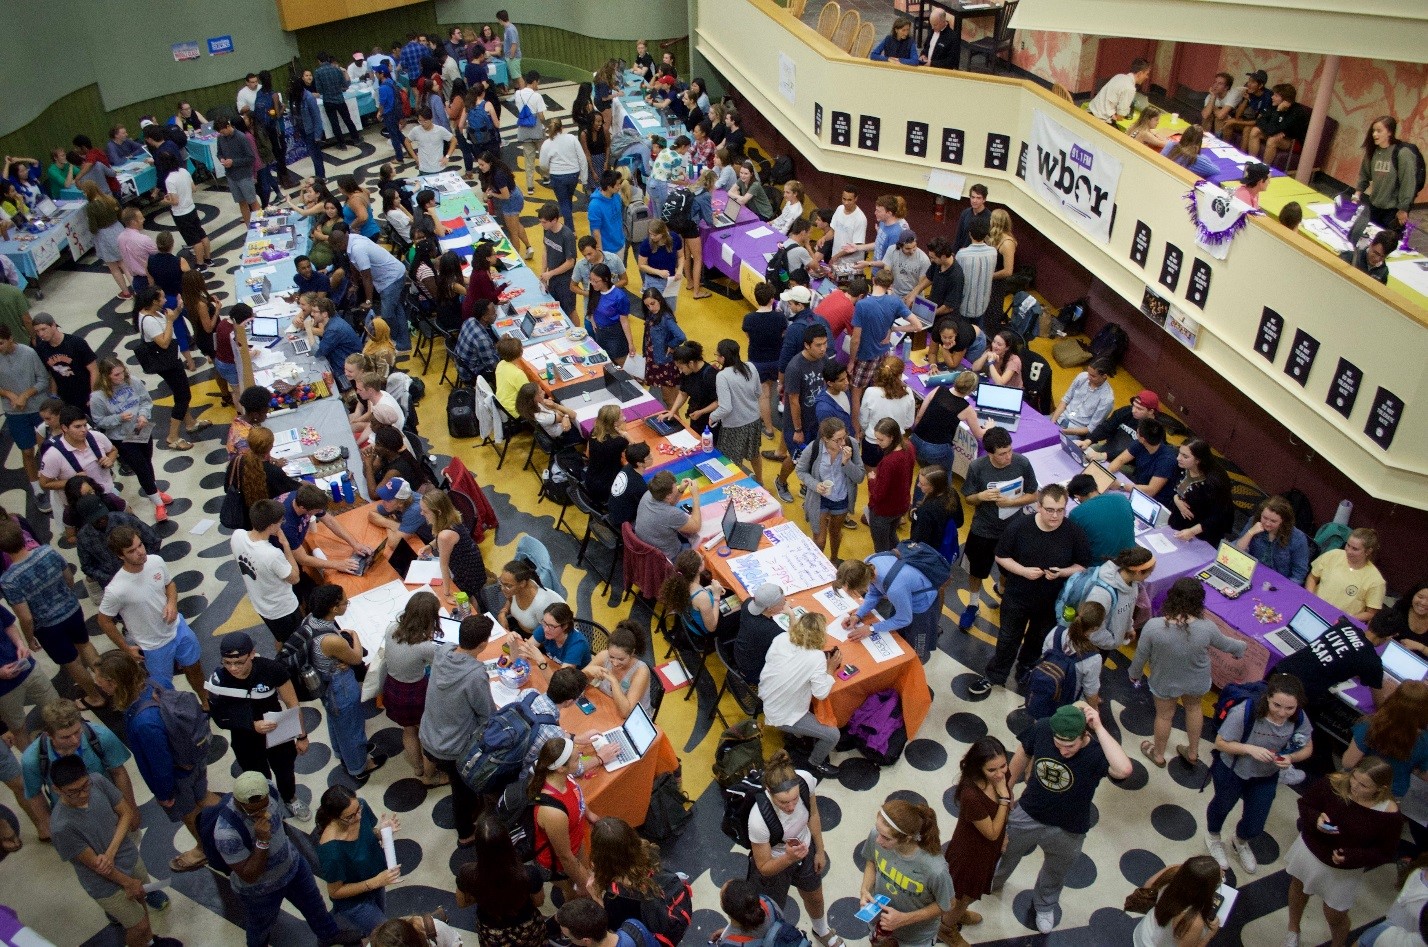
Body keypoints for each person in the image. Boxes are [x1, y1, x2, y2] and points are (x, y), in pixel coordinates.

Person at [995, 703, 1132, 933]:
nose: (1063, 751)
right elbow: (1023, 752)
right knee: (1006, 852)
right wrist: (1006, 791)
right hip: (1029, 811)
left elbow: (1124, 770)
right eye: (1058, 745)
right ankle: (993, 882)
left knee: (1056, 871)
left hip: (1070, 827)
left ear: (1084, 735)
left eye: (1070, 746)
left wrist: (1098, 726)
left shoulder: (1098, 752)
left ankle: (1044, 905)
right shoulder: (1044, 728)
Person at [92, 650, 218, 875]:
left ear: (112, 683)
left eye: (98, 678)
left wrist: (165, 795)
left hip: (177, 775)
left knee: (188, 811)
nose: (96, 682)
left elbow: (160, 767)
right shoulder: (156, 682)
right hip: (192, 756)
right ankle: (237, 820)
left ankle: (204, 848)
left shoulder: (143, 722)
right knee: (203, 795)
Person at [48, 757, 182, 947]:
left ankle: (150, 942)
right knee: (138, 926)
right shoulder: (61, 827)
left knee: (141, 906)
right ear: (57, 790)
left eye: (85, 786)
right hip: (105, 883)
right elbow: (96, 865)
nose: (83, 794)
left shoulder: (98, 781)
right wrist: (127, 882)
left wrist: (110, 852)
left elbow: (126, 813)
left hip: (129, 858)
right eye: (73, 792)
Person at [215, 771, 357, 947]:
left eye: (264, 806)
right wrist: (262, 841)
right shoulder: (226, 832)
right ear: (239, 803)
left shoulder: (271, 789)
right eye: (255, 811)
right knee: (261, 926)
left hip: (293, 867)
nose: (262, 813)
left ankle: (329, 935)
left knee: (314, 905)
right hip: (261, 892)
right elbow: (249, 875)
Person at [972, 484, 1090, 696]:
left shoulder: (1073, 532)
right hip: (1018, 596)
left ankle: (1025, 669)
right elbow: (1001, 556)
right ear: (1038, 506)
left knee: (1037, 640)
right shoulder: (1019, 527)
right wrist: (1023, 571)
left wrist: (1062, 572)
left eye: (1060, 510)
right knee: (1008, 638)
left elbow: (1082, 565)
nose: (1055, 516)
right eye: (1050, 510)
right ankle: (995, 675)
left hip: (1050, 601)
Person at [1203, 672, 1313, 876]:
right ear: (1268, 698)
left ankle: (1241, 841)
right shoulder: (1246, 711)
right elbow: (1221, 743)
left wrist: (1291, 758)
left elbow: (1307, 747)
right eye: (1276, 705)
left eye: (1290, 708)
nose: (1282, 713)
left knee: (1256, 820)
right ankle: (1213, 836)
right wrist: (1249, 749)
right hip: (1232, 769)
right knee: (1222, 805)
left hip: (1266, 775)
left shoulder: (1298, 718)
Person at [1130, 579, 1248, 768]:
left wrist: (1134, 674)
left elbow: (1140, 656)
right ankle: (1192, 752)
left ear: (1172, 597)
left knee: (1164, 716)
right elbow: (1227, 645)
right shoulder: (1207, 627)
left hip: (1165, 680)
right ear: (1199, 602)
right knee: (1194, 710)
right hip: (1197, 681)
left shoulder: (1153, 626)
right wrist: (1241, 648)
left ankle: (1158, 755)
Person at [1285, 758, 1402, 947]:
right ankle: (1293, 930)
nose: (1355, 786)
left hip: (1344, 871)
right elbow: (1305, 804)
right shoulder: (1334, 783)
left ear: (1380, 789)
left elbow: (1385, 852)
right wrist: (1315, 820)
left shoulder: (1388, 815)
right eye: (1354, 778)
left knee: (1335, 914)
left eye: (1364, 785)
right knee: (1298, 888)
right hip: (1310, 851)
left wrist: (1354, 857)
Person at [0, 523, 107, 711]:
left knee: (71, 661)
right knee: (85, 644)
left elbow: (25, 617)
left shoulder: (9, 579)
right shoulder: (47, 551)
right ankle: (109, 683)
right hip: (72, 609)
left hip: (48, 627)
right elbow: (68, 577)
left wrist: (29, 637)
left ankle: (95, 696)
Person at [741, 750, 840, 944]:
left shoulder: (805, 780)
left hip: (804, 850)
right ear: (769, 790)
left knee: (815, 897)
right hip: (776, 861)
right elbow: (763, 867)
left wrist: (819, 850)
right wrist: (788, 858)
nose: (791, 806)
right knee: (770, 911)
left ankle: (821, 931)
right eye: (783, 802)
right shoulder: (758, 820)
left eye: (795, 799)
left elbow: (813, 815)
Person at [96, 527, 205, 697]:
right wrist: (125, 648)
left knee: (194, 666)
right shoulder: (116, 589)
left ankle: (204, 699)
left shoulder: (155, 561)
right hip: (153, 646)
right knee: (163, 689)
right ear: (120, 555)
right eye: (131, 551)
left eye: (140, 545)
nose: (140, 552)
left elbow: (170, 584)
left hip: (178, 629)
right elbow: (104, 620)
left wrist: (171, 603)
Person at [420, 614, 496, 844]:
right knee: (461, 791)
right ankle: (465, 834)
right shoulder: (474, 674)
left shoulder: (443, 651)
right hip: (452, 749)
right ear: (483, 644)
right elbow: (488, 715)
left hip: (429, 734)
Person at [958, 426, 1037, 633]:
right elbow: (968, 498)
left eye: (1010, 450)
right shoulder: (977, 467)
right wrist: (980, 497)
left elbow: (1033, 494)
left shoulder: (1022, 463)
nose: (1009, 456)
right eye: (1002, 454)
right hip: (983, 530)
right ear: (990, 453)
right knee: (977, 570)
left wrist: (1012, 502)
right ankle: (973, 604)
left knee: (1009, 570)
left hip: (1013, 530)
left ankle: (1002, 590)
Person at [305, 586, 387, 784]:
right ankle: (359, 765)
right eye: (345, 602)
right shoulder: (332, 641)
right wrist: (355, 636)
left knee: (337, 720)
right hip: (339, 684)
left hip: (324, 680)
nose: (347, 605)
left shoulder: (309, 621)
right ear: (333, 608)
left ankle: (342, 751)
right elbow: (357, 658)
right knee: (351, 725)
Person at [937, 738, 1011, 946]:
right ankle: (946, 928)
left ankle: (957, 915)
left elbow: (999, 828)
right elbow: (992, 832)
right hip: (969, 854)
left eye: (1003, 766)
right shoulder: (971, 795)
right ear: (979, 768)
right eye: (992, 769)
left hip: (987, 851)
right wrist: (1004, 798)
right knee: (962, 895)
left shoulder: (999, 776)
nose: (1000, 774)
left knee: (967, 895)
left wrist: (1005, 833)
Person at [859, 799, 953, 946]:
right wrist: (865, 889)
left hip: (915, 937)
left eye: (886, 838)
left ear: (907, 838)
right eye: (878, 831)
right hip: (880, 923)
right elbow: (871, 861)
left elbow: (946, 904)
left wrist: (904, 919)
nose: (878, 840)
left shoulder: (935, 869)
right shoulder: (877, 836)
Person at [313, 785, 402, 937]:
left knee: (380, 920)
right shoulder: (331, 851)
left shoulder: (359, 807)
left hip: (376, 879)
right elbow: (335, 892)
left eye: (358, 810)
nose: (358, 817)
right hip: (356, 902)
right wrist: (374, 883)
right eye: (350, 817)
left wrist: (382, 833)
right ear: (334, 817)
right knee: (386, 936)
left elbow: (369, 833)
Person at [759, 613, 840, 778]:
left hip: (767, 697)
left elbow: (770, 658)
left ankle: (801, 736)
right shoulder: (816, 658)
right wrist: (830, 669)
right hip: (784, 715)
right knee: (833, 735)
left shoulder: (782, 637)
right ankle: (814, 763)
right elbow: (821, 693)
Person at [89, 358, 166, 518]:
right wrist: (118, 418)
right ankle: (158, 503)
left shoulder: (134, 382)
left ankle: (154, 491)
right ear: (106, 377)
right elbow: (98, 420)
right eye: (116, 375)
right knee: (141, 468)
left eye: (122, 372)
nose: (121, 377)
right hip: (121, 438)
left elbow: (146, 401)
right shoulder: (97, 397)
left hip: (141, 430)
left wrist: (144, 415)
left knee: (147, 462)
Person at [133, 288, 208, 450]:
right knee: (183, 396)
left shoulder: (155, 312)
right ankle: (172, 436)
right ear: (154, 301)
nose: (165, 300)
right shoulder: (148, 320)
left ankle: (190, 422)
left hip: (171, 359)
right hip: (167, 363)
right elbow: (164, 343)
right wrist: (169, 321)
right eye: (162, 298)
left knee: (180, 391)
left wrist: (177, 311)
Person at [456, 814, 548, 947]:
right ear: (508, 842)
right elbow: (539, 902)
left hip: (491, 931)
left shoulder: (467, 873)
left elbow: (461, 903)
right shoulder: (528, 873)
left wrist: (487, 894)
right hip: (525, 928)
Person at [843, 543, 942, 662]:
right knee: (897, 634)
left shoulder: (895, 589)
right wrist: (858, 615)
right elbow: (874, 593)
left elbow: (904, 619)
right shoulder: (868, 563)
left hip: (922, 606)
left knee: (917, 646)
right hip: (904, 595)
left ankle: (918, 661)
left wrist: (870, 629)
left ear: (863, 587)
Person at [529, 736, 598, 895]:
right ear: (561, 768)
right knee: (573, 894)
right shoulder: (553, 812)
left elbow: (577, 796)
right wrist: (586, 886)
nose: (580, 757)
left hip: (575, 842)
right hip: (557, 864)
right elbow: (565, 857)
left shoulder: (566, 777)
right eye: (576, 759)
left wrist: (590, 815)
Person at [327, 226, 411, 354]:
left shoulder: (357, 248)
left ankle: (394, 340)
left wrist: (368, 300)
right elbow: (353, 264)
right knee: (396, 308)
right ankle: (403, 343)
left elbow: (367, 276)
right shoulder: (351, 240)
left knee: (388, 314)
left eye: (335, 247)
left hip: (391, 278)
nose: (335, 250)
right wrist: (354, 284)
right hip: (389, 276)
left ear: (340, 243)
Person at [775, 321, 830, 504]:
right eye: (818, 345)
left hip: (816, 421)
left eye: (825, 344)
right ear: (807, 345)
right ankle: (781, 481)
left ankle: (806, 485)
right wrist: (798, 430)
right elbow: (793, 401)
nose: (823, 349)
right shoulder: (795, 367)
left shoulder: (823, 360)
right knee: (796, 458)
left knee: (816, 456)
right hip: (797, 425)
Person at [795, 417, 865, 562]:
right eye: (837, 440)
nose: (842, 443)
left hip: (841, 497)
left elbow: (859, 477)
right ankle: (818, 564)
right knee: (819, 540)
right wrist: (815, 484)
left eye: (844, 437)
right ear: (825, 439)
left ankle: (834, 559)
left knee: (835, 532)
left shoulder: (852, 445)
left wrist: (847, 463)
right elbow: (800, 470)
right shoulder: (814, 448)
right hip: (819, 498)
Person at [0, 325, 51, 507]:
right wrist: (8, 394)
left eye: (1, 343)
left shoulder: (29, 353)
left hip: (38, 408)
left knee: (48, 447)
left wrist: (25, 395)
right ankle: (37, 490)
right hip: (15, 412)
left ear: (11, 339)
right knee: (27, 451)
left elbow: (44, 380)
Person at [1133, 857, 1224, 947]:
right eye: (1219, 881)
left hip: (1143, 933)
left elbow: (1146, 888)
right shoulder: (1193, 921)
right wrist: (1209, 935)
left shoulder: (1171, 871)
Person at [1082, 546, 1156, 653]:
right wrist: (1114, 642)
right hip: (1094, 647)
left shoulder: (1133, 584)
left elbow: (1128, 609)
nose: (1149, 576)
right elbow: (1093, 632)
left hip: (1112, 639)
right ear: (1138, 572)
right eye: (1150, 573)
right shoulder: (1102, 595)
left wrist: (1128, 628)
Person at [417, 489, 485, 606]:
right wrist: (431, 546)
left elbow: (443, 565)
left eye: (425, 511)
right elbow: (444, 538)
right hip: (473, 565)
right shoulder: (451, 518)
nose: (422, 514)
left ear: (438, 512)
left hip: (467, 575)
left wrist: (447, 594)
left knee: (464, 602)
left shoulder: (445, 536)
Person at [1164, 438, 1235, 547]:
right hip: (1178, 522)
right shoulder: (1182, 467)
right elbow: (1175, 489)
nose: (1178, 458)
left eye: (1185, 456)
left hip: (1201, 533)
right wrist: (1176, 500)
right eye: (1179, 453)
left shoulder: (1215, 482)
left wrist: (1192, 531)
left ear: (1198, 460)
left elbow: (1219, 516)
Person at [1355, 115, 1418, 236]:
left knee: (1387, 245)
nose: (1374, 134)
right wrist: (1357, 194)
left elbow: (1408, 183)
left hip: (1393, 210)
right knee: (1366, 239)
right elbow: (1364, 175)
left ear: (1389, 132)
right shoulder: (1373, 151)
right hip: (1374, 206)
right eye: (1373, 130)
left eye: (1379, 131)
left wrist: (1403, 209)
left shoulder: (1403, 153)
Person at [1307, 528, 1386, 623]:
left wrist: (1346, 620)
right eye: (1348, 545)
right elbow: (1312, 577)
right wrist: (1310, 597)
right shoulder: (1334, 554)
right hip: (1313, 609)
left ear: (1368, 551)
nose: (1349, 551)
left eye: (1355, 549)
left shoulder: (1376, 581)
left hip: (1339, 622)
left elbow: (1371, 613)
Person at [711, 339, 764, 479]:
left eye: (717, 355)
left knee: (732, 460)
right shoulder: (750, 367)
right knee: (754, 453)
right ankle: (760, 480)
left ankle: (737, 486)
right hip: (754, 420)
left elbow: (725, 407)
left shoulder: (722, 376)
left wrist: (713, 416)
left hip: (735, 425)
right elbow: (758, 392)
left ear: (723, 357)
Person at [1234, 494, 1311, 584]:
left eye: (1273, 521)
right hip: (1250, 573)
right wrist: (1250, 533)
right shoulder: (1254, 522)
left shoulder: (1298, 538)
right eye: (1265, 518)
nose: (1267, 523)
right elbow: (1237, 552)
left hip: (1277, 583)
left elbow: (1299, 573)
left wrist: (1284, 590)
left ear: (1283, 521)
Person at [29, 312, 96, 412]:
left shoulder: (76, 343)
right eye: (37, 331)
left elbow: (94, 370)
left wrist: (93, 394)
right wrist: (54, 396)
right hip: (66, 398)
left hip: (85, 394)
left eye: (43, 329)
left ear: (53, 325)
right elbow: (52, 374)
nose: (41, 334)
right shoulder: (41, 349)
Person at [581, 622, 650, 717]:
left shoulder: (641, 671)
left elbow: (625, 712)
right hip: (605, 705)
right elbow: (576, 684)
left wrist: (613, 681)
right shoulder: (603, 655)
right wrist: (586, 672)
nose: (615, 663)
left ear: (632, 653)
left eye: (621, 659)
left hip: (632, 718)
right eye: (611, 657)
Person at [1106, 417, 1179, 507]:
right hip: (1137, 482)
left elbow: (1151, 490)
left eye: (1137, 432)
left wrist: (1121, 485)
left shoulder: (1167, 461)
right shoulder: (1140, 444)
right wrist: (1108, 474)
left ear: (1143, 439)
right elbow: (1120, 460)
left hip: (1154, 499)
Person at [635, 471, 701, 562]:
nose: (677, 487)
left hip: (649, 549)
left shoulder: (649, 494)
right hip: (669, 557)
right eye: (675, 487)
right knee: (701, 548)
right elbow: (696, 526)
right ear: (668, 496)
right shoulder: (671, 514)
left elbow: (669, 503)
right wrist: (696, 496)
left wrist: (680, 490)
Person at [639, 288, 687, 407]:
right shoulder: (651, 315)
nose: (651, 308)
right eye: (647, 305)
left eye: (653, 303)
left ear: (659, 300)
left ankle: (675, 419)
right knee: (670, 397)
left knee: (668, 399)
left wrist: (671, 345)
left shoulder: (666, 318)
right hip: (655, 358)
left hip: (664, 363)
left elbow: (681, 336)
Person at [731, 583, 785, 685]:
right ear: (770, 609)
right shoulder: (769, 629)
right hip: (754, 671)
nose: (784, 605)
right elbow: (794, 637)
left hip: (739, 654)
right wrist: (791, 614)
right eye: (782, 603)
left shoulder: (747, 604)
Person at [1244, 83, 1311, 165]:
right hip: (1276, 134)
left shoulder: (1296, 112)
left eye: (1276, 96)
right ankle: (1251, 163)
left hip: (1293, 141)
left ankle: (1264, 169)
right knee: (1255, 130)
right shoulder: (1274, 105)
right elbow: (1260, 121)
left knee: (1272, 140)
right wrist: (1272, 127)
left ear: (1286, 100)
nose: (1272, 97)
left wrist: (1278, 111)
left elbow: (1272, 130)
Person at [496, 559, 565, 637]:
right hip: (517, 629)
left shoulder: (540, 604)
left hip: (534, 638)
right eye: (501, 583)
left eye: (508, 586)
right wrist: (503, 613)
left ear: (522, 583)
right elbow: (510, 599)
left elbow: (547, 634)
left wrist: (526, 645)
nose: (502, 588)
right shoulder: (515, 590)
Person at [1050, 358, 1115, 436]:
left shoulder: (1107, 399)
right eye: (1088, 373)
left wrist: (1062, 431)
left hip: (1075, 431)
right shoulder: (1082, 377)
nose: (1088, 377)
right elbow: (1065, 400)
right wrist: (1052, 421)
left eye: (1093, 376)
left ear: (1104, 376)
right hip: (1059, 418)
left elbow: (1091, 428)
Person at [214, 118, 259, 226]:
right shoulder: (220, 138)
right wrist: (222, 159)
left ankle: (262, 225)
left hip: (244, 176)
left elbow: (251, 158)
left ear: (228, 126)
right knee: (241, 202)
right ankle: (249, 228)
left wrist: (233, 162)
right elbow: (219, 153)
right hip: (231, 176)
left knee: (252, 201)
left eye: (222, 131)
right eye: (219, 132)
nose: (221, 134)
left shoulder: (241, 137)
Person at [584, 403, 629, 506]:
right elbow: (638, 452)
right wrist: (626, 434)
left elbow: (587, 454)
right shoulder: (619, 441)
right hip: (608, 487)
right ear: (615, 423)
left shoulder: (595, 431)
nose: (624, 417)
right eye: (622, 416)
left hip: (591, 479)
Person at [589, 264, 633, 366]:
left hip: (615, 335)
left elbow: (624, 321)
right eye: (591, 280)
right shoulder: (595, 291)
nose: (592, 283)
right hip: (600, 333)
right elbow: (591, 306)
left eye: (596, 281)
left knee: (621, 363)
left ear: (605, 279)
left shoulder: (619, 296)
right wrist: (592, 319)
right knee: (605, 362)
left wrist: (630, 343)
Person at [956, 218, 997, 325]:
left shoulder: (962, 255)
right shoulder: (993, 252)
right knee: (978, 335)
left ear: (969, 234)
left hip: (964, 305)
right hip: (983, 304)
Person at [606, 443, 651, 533]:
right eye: (649, 457)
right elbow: (649, 508)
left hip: (613, 511)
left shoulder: (628, 467)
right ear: (639, 463)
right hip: (623, 522)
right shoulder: (639, 486)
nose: (652, 457)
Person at [1089, 58, 1152, 123]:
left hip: (1090, 110)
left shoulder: (1119, 76)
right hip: (1100, 119)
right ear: (1140, 73)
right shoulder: (1130, 88)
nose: (1147, 77)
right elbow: (1120, 117)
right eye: (1146, 74)